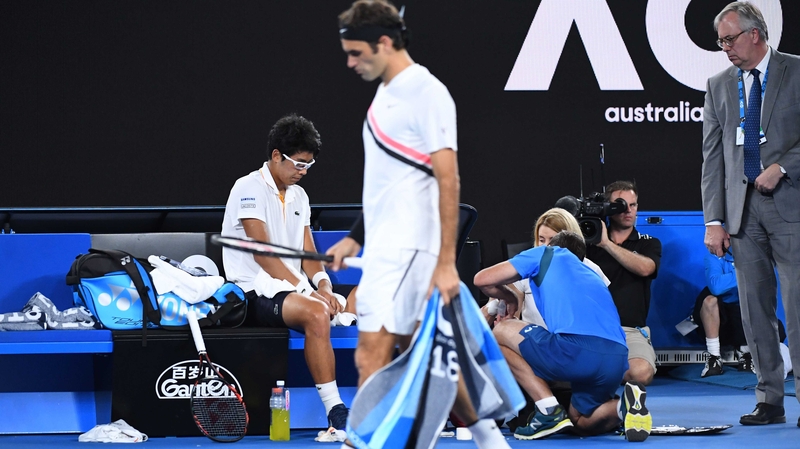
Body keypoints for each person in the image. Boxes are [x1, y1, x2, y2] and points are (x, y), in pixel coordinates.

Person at [326, 1, 509, 448]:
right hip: (387, 249)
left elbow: (449, 178)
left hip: (414, 252)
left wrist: (445, 263)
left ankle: (366, 439)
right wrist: (354, 237)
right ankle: (491, 440)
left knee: (372, 355)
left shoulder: (426, 92)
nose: (349, 63)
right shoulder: (384, 95)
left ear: (384, 43)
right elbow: (390, 184)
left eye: (356, 53)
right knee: (426, 355)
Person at [701, 1, 800, 427]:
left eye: (729, 39)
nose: (724, 48)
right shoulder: (718, 84)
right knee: (754, 311)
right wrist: (713, 220)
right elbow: (712, 157)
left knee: (797, 309)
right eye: (720, 41)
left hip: (790, 207)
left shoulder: (796, 71)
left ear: (754, 34)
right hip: (741, 215)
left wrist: (784, 166)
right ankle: (769, 398)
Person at [220, 114, 349, 431]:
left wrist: (324, 285)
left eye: (309, 165)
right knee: (318, 314)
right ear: (276, 155)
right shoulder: (246, 188)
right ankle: (336, 409)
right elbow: (264, 254)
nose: (303, 172)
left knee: (360, 298)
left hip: (292, 291)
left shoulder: (300, 196)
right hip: (252, 292)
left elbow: (307, 253)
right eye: (298, 163)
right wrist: (310, 294)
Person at [474, 231, 651, 441]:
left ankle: (549, 410)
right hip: (617, 359)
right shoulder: (592, 274)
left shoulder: (546, 254)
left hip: (574, 352)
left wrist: (508, 296)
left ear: (555, 246)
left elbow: (482, 279)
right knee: (580, 421)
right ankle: (624, 406)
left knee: (501, 332)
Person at [585, 181, 662, 386]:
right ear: (608, 209)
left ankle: (600, 374)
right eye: (620, 205)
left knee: (641, 373)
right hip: (591, 329)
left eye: (633, 205)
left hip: (629, 330)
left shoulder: (648, 242)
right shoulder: (587, 245)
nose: (628, 211)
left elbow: (646, 268)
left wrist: (607, 245)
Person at [484, 207, 610, 328]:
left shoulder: (592, 270)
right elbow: (512, 317)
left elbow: (603, 318)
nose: (545, 247)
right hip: (535, 344)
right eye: (541, 240)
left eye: (552, 240)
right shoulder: (525, 270)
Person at [694, 250, 751, 377]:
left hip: (743, 318)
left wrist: (729, 277)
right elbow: (716, 286)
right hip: (721, 319)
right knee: (710, 300)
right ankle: (714, 357)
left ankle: (746, 353)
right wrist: (746, 272)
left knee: (757, 300)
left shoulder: (756, 255)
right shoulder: (714, 256)